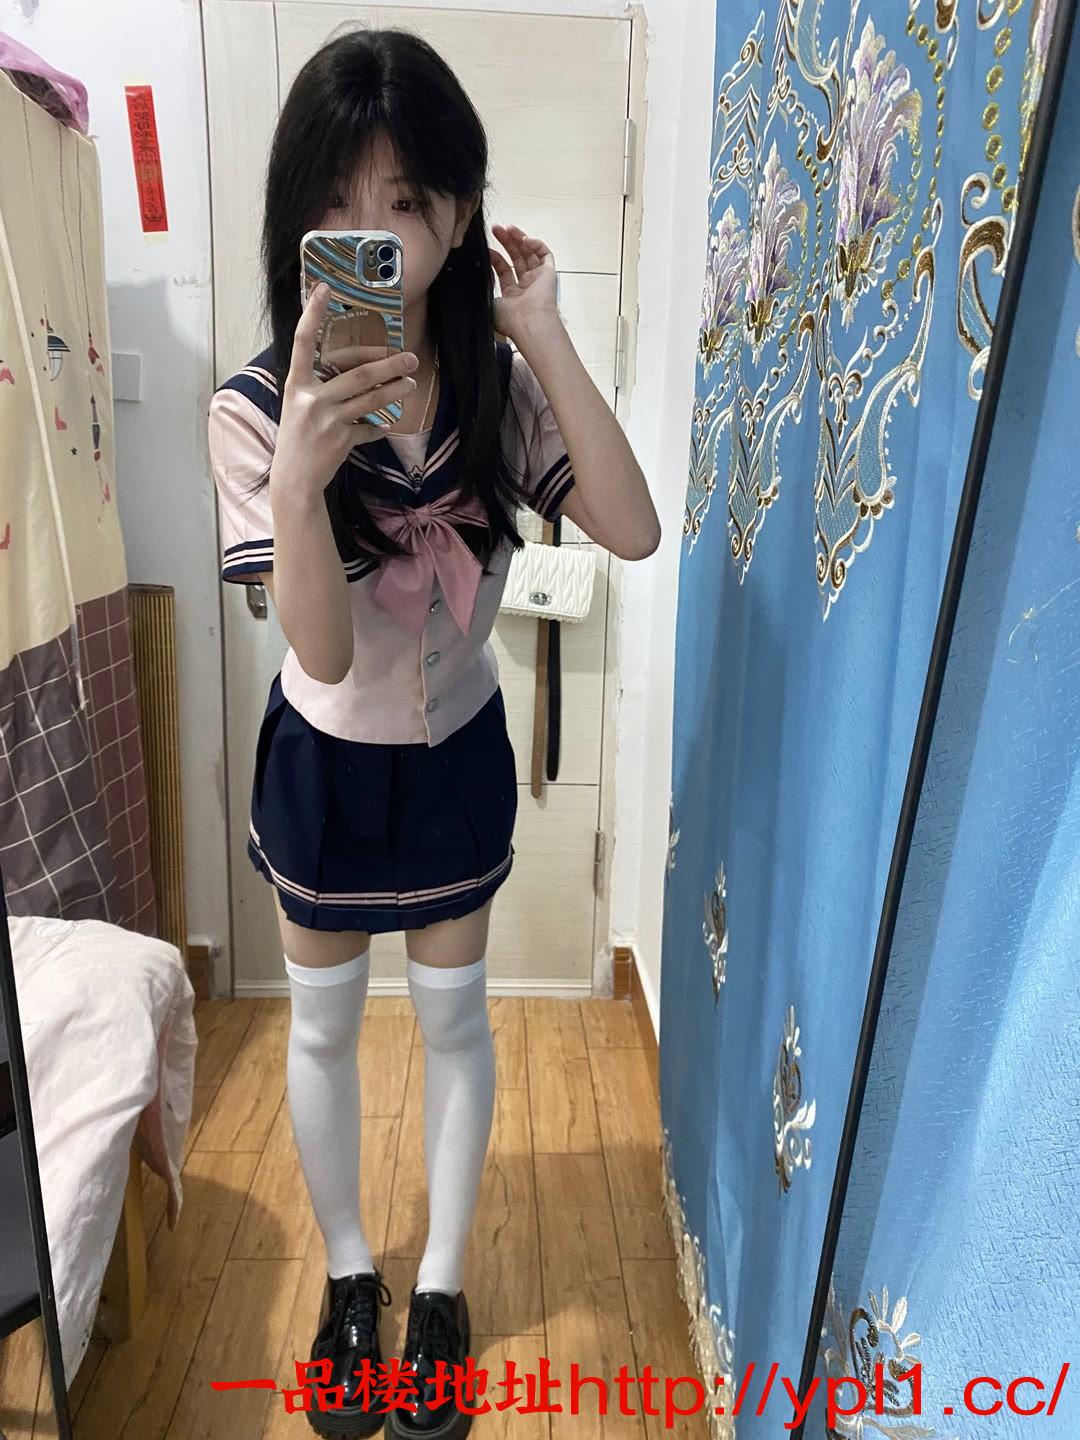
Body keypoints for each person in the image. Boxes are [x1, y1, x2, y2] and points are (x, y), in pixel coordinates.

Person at [207, 27, 659, 1440]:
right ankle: (352, 1275)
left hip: (455, 750)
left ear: (463, 216)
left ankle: (444, 1290)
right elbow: (323, 651)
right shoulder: (252, 412)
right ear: (297, 226)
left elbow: (634, 529)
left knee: (456, 1021)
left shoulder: (496, 389)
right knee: (326, 1028)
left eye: (407, 201)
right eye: (339, 204)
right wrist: (300, 480)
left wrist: (545, 333)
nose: (376, 235)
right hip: (325, 763)